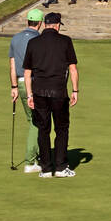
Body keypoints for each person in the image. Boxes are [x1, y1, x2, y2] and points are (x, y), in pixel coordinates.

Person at [23, 12, 80, 178]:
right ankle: (61, 167)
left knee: (43, 129)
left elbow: (27, 72)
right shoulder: (65, 41)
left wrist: (29, 95)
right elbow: (73, 69)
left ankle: (46, 169)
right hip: (59, 92)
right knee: (61, 128)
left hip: (39, 91)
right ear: (56, 25)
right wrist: (75, 90)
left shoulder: (33, 43)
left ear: (45, 24)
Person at [9, 8, 44, 174]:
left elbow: (12, 64)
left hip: (20, 84)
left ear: (27, 22)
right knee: (36, 121)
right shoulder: (39, 39)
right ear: (40, 23)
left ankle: (37, 155)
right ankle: (31, 161)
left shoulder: (15, 38)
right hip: (34, 83)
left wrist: (14, 87)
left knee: (32, 120)